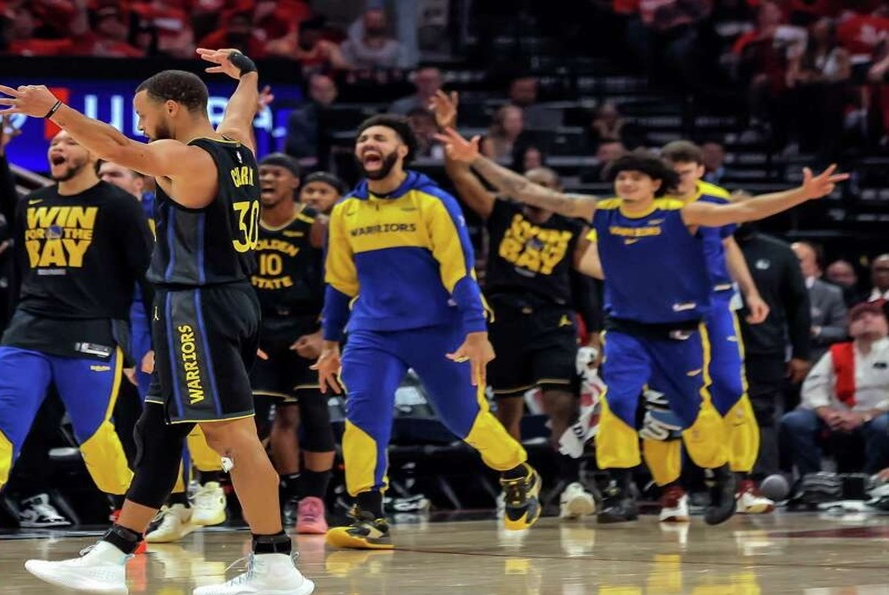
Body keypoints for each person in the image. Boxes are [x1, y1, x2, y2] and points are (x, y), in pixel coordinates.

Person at [0, 48, 314, 595]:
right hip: (212, 302)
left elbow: (117, 149)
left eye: (143, 114)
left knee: (231, 434)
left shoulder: (183, 157)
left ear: (170, 107)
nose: (141, 126)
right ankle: (114, 553)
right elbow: (242, 106)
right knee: (158, 431)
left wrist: (53, 110)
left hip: (199, 306)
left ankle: (275, 560)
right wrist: (249, 70)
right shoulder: (236, 144)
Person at [436, 126, 846, 526]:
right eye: (621, 177)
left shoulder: (684, 213)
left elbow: (746, 210)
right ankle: (618, 488)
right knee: (619, 402)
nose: (626, 183)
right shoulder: (603, 211)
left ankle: (720, 475)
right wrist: (477, 161)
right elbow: (531, 192)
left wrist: (802, 194)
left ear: (656, 183)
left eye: (635, 177)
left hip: (679, 330)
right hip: (627, 328)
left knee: (691, 410)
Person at [316, 114, 541, 551]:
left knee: (462, 417)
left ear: (402, 150)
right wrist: (329, 342)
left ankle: (517, 471)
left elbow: (460, 272)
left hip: (442, 328)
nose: (368, 143)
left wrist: (477, 332)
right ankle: (368, 513)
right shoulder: (346, 211)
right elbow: (339, 283)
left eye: (379, 137)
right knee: (364, 411)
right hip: (373, 332)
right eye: (362, 138)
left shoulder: (432, 202)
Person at [0, 130, 146, 554]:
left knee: (94, 433)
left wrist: (149, 345)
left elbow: (148, 277)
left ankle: (128, 516)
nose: (58, 148)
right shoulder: (34, 202)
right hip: (29, 330)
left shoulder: (119, 206)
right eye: (55, 142)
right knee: (5, 417)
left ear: (96, 153)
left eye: (71, 142)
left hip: (91, 332)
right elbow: (9, 209)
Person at [435, 87, 597, 519]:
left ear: (556, 193)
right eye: (533, 185)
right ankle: (514, 483)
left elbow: (585, 282)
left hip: (553, 319)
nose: (536, 191)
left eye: (546, 186)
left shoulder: (571, 226)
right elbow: (463, 178)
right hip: (503, 318)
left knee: (561, 400)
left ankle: (570, 480)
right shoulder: (504, 213)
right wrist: (449, 133)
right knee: (505, 407)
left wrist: (595, 331)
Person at [634, 141, 775, 521]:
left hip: (714, 302)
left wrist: (751, 291)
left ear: (700, 170)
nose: (677, 179)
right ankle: (671, 491)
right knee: (666, 398)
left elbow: (728, 243)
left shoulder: (715, 198)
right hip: (663, 306)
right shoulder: (647, 203)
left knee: (730, 386)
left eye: (684, 171)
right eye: (671, 172)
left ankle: (743, 481)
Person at [97, 159, 229, 546]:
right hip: (134, 317)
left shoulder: (170, 208)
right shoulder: (103, 219)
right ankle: (173, 503)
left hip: (179, 308)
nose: (106, 181)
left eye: (115, 174)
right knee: (154, 419)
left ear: (141, 184)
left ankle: (209, 483)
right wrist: (129, 347)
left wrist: (157, 341)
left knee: (195, 400)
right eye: (101, 175)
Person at [249, 153, 332, 535]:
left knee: (313, 413)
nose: (266, 178)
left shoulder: (316, 226)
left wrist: (324, 335)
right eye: (262, 172)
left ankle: (313, 501)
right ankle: (286, 493)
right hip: (260, 335)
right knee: (256, 421)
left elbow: (342, 284)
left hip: (305, 332)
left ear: (294, 182)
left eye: (276, 173)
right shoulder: (243, 224)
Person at [733, 220, 812, 484]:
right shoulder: (700, 246)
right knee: (708, 411)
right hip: (710, 344)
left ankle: (760, 480)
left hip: (763, 346)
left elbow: (799, 304)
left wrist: (801, 352)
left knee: (760, 411)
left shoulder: (778, 252)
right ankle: (704, 481)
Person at [780, 303, 889, 477]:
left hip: (876, 417)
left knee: (884, 425)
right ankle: (813, 481)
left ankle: (871, 480)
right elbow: (813, 388)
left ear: (886, 323)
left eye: (874, 316)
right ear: (850, 328)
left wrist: (864, 416)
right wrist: (828, 414)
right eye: (858, 318)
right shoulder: (836, 352)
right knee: (794, 421)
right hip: (836, 416)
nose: (866, 320)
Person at [791, 241, 848, 363]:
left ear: (815, 265)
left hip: (816, 359)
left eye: (799, 260)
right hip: (776, 359)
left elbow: (841, 331)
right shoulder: (770, 289)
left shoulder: (832, 293)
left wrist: (814, 331)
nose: (791, 264)